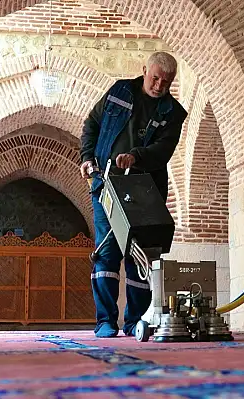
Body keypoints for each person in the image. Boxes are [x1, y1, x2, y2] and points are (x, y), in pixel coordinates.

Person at [79, 52, 188, 338]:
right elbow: (92, 124)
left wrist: (136, 158)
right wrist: (87, 157)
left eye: (166, 81)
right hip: (105, 187)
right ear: (144, 71)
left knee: (140, 256)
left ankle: (134, 322)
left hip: (145, 194)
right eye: (155, 78)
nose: (159, 85)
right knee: (106, 252)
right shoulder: (119, 92)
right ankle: (105, 321)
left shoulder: (173, 113)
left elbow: (164, 150)